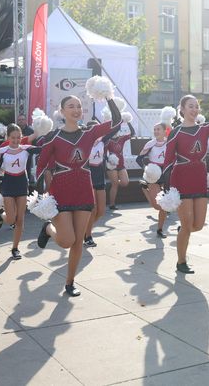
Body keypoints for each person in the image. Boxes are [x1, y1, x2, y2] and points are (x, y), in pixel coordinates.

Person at [35, 95, 122, 296]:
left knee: (77, 241)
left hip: (84, 189)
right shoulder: (53, 137)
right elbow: (41, 165)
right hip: (61, 191)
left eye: (79, 106)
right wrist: (40, 194)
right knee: (66, 240)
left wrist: (107, 97)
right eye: (71, 106)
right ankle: (48, 228)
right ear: (62, 110)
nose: (76, 110)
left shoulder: (89, 133)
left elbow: (117, 123)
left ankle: (70, 282)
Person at [162, 95, 209, 274]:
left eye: (196, 106)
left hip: (199, 179)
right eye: (190, 106)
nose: (194, 110)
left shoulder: (205, 128)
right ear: (182, 109)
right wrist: (167, 189)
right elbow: (167, 161)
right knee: (188, 226)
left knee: (198, 225)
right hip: (181, 180)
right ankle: (181, 262)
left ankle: (183, 231)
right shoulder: (176, 132)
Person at [0, 124, 41, 260]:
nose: (16, 140)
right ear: (8, 137)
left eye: (18, 137)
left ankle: (15, 248)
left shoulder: (26, 149)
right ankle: (2, 215)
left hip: (22, 185)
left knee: (20, 219)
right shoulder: (2, 151)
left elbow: (41, 150)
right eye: (13, 138)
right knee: (11, 219)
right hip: (8, 185)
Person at [84, 120, 119, 247]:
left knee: (101, 211)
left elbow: (115, 127)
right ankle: (88, 236)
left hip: (100, 178)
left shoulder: (103, 141)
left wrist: (111, 102)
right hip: (88, 179)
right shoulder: (84, 142)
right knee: (92, 210)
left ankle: (85, 230)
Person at [136, 122, 168, 237]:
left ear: (165, 131)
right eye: (154, 129)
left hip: (166, 174)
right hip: (153, 175)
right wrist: (147, 169)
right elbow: (139, 159)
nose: (156, 131)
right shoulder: (150, 144)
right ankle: (145, 188)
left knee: (165, 205)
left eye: (158, 129)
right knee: (157, 206)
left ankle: (160, 229)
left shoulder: (170, 143)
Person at [105, 121, 135, 210]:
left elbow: (133, 133)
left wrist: (129, 121)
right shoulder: (107, 140)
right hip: (111, 165)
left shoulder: (122, 138)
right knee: (115, 184)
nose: (115, 132)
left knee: (125, 182)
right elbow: (103, 153)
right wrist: (109, 160)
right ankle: (112, 204)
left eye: (117, 130)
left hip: (121, 164)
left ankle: (114, 185)